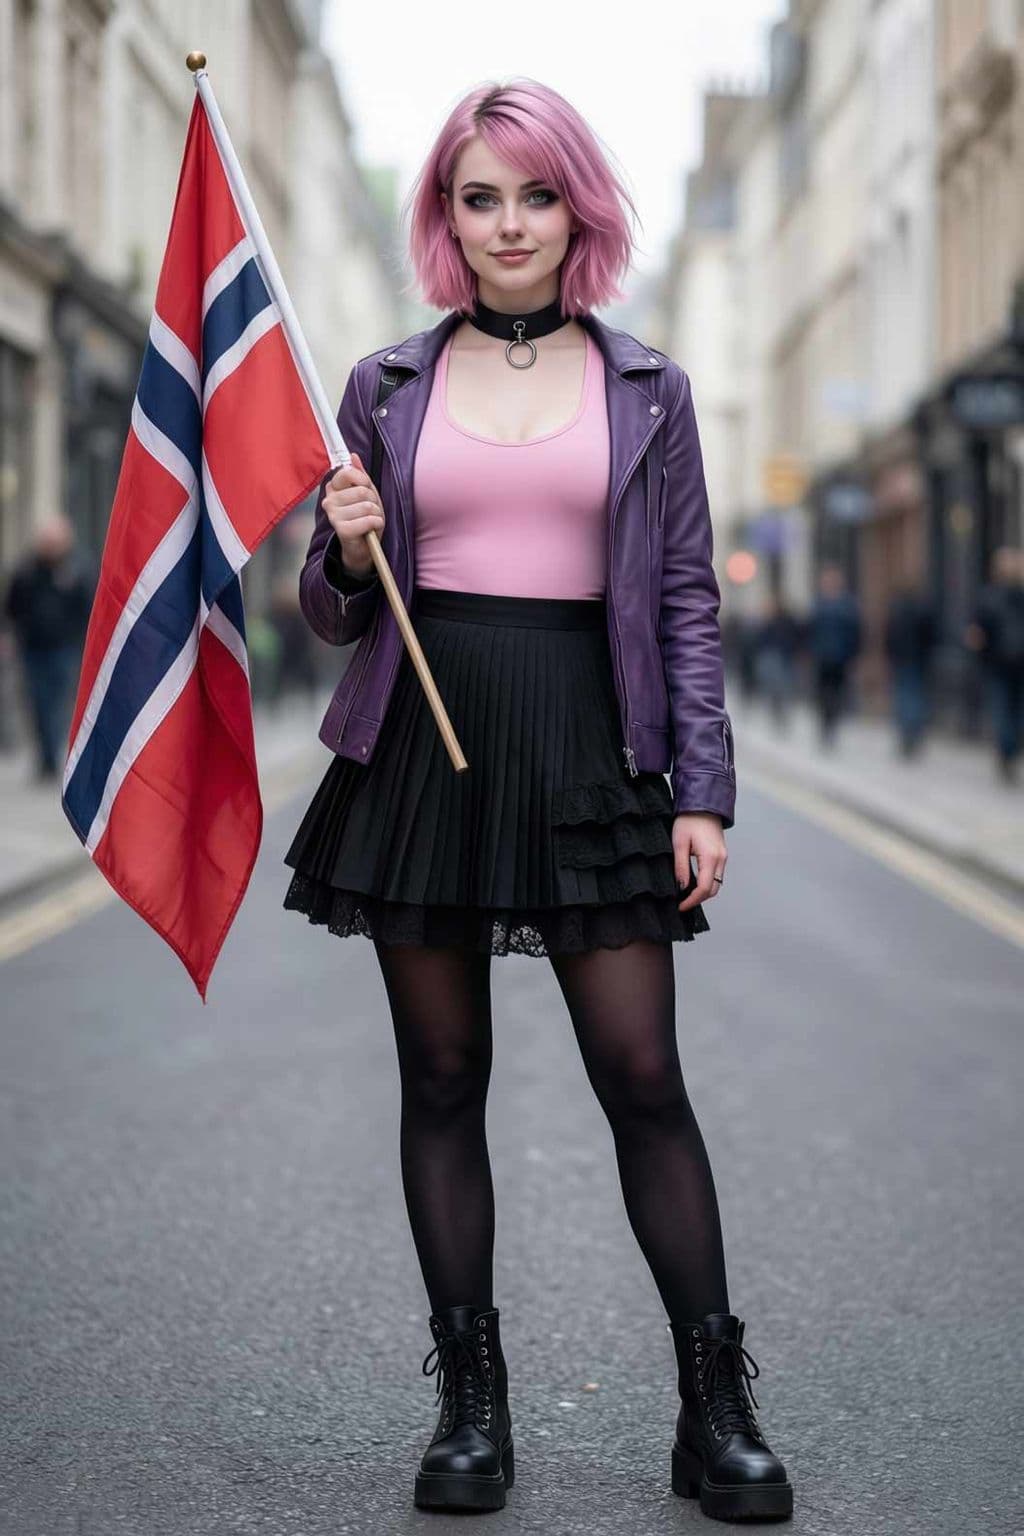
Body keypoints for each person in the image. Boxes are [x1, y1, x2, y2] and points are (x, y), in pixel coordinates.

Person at [283, 79, 792, 1523]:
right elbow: (332, 612)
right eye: (479, 197)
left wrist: (704, 793)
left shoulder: (650, 387)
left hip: (592, 743)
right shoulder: (385, 386)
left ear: (579, 209)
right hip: (423, 741)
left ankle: (714, 1410)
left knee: (642, 1076)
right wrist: (343, 548)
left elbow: (684, 598)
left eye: (536, 194)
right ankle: (471, 1410)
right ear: (446, 219)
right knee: (443, 1081)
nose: (509, 223)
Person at [3, 515, 94, 781]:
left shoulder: (77, 570)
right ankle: (46, 755)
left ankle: (52, 756)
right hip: (33, 648)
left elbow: (87, 607)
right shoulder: (26, 571)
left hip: (64, 648)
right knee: (38, 703)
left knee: (58, 703)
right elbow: (12, 606)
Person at [806, 562, 861, 748]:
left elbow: (855, 632)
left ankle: (832, 723)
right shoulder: (818, 604)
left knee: (837, 692)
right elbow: (809, 631)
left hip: (840, 658)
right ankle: (826, 724)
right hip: (822, 657)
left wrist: (853, 654)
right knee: (823, 693)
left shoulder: (847, 606)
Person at [884, 580, 938, 758]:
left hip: (902, 660)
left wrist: (891, 655)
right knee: (915, 695)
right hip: (918, 660)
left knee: (904, 696)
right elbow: (932, 636)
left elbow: (889, 635)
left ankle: (907, 731)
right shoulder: (923, 609)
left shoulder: (896, 610)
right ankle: (913, 730)